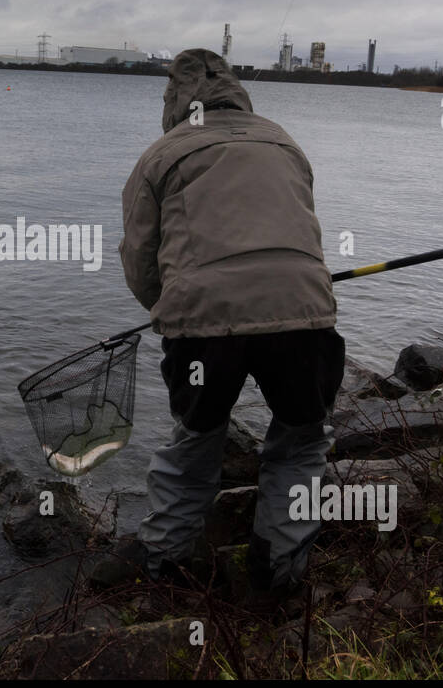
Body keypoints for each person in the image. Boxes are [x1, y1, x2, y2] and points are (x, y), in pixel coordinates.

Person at [113, 47, 345, 595]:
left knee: (195, 442)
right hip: (306, 314)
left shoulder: (161, 154)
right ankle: (280, 580)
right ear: (239, 92)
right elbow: (302, 231)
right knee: (302, 443)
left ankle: (164, 572)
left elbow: (141, 263)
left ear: (173, 100)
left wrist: (169, 307)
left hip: (204, 324)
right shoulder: (285, 142)